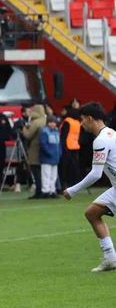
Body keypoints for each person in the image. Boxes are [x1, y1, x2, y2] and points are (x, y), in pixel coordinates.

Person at [63, 102, 116, 272]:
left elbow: (96, 174)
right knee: (92, 213)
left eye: (82, 119)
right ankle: (110, 258)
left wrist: (73, 190)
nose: (81, 123)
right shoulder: (111, 133)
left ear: (90, 118)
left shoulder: (100, 140)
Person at [22, 104, 47, 199]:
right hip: (46, 150)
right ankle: (47, 190)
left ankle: (39, 191)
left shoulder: (35, 122)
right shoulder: (45, 120)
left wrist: (24, 128)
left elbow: (28, 135)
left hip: (35, 149)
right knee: (46, 172)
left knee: (36, 172)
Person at [60, 107, 82, 193]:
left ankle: (64, 185)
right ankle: (75, 184)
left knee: (64, 168)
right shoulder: (77, 122)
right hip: (75, 146)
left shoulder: (67, 121)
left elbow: (63, 135)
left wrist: (62, 146)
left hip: (67, 146)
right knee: (74, 167)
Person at [40, 116, 62, 199]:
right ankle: (46, 191)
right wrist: (49, 153)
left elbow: (59, 144)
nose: (53, 124)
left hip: (55, 158)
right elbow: (43, 144)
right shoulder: (45, 132)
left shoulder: (57, 132)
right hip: (47, 158)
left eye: (54, 122)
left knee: (54, 176)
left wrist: (59, 153)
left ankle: (52, 190)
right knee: (46, 175)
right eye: (51, 122)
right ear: (47, 123)